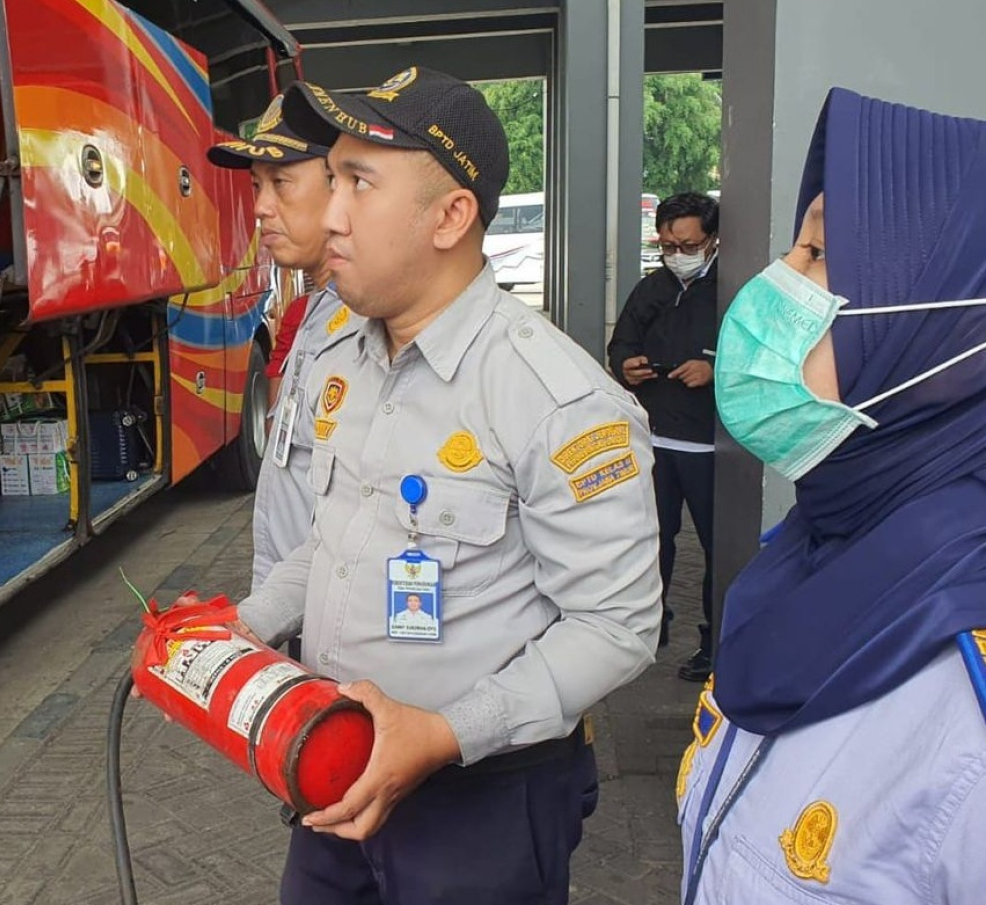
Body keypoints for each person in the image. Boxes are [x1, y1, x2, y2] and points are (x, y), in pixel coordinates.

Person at [236, 66, 661, 905]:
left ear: (450, 216)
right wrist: (233, 628)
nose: (330, 215)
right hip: (339, 775)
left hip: (485, 801)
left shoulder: (553, 396)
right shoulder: (349, 363)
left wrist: (442, 733)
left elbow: (617, 624)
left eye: (359, 182)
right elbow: (335, 540)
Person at [678, 88, 986, 904]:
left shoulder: (966, 692)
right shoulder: (814, 540)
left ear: (948, 335)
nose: (777, 283)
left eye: (817, 257)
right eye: (796, 246)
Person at [207, 93, 354, 593]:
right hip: (296, 607)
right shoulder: (314, 313)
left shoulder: (369, 329)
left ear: (342, 186)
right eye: (255, 186)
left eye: (281, 183)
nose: (259, 209)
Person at [608, 192, 719, 680]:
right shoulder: (651, 289)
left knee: (721, 547)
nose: (678, 253)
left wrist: (714, 369)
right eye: (669, 244)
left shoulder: (732, 290)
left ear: (712, 241)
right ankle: (650, 629)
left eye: (689, 244)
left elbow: (755, 356)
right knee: (652, 540)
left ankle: (715, 644)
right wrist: (625, 367)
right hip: (654, 439)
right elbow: (621, 344)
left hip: (712, 447)